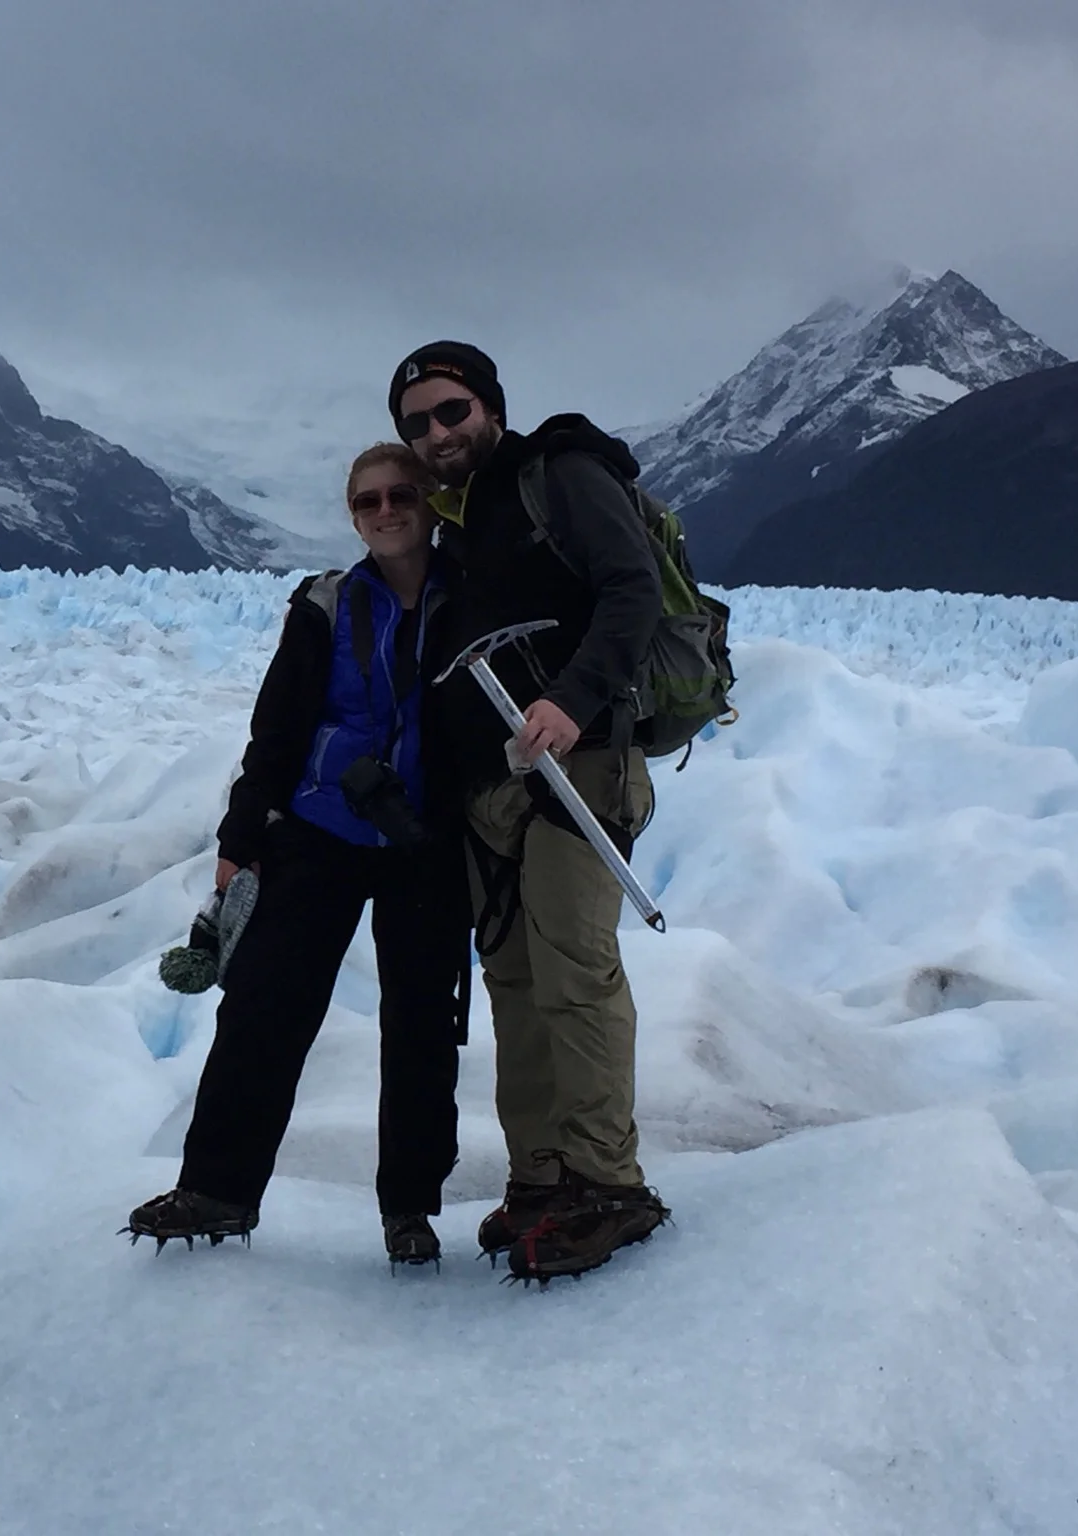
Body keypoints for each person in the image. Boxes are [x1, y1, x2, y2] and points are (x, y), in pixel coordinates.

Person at [128, 444, 471, 1267]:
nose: (384, 511)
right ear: (351, 514)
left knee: (422, 1027)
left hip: (427, 843)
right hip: (322, 832)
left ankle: (409, 1209)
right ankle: (218, 1188)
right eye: (366, 501)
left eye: (399, 495)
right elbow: (275, 732)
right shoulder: (323, 605)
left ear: (429, 503)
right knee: (262, 1009)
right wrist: (241, 842)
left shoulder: (472, 600)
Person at [389, 340, 670, 1284]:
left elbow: (630, 590)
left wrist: (576, 697)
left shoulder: (562, 475)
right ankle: (542, 1180)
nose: (435, 434)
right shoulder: (455, 520)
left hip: (578, 764)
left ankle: (609, 1184)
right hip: (492, 786)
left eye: (450, 412)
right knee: (512, 978)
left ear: (489, 408)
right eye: (417, 423)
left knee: (575, 971)